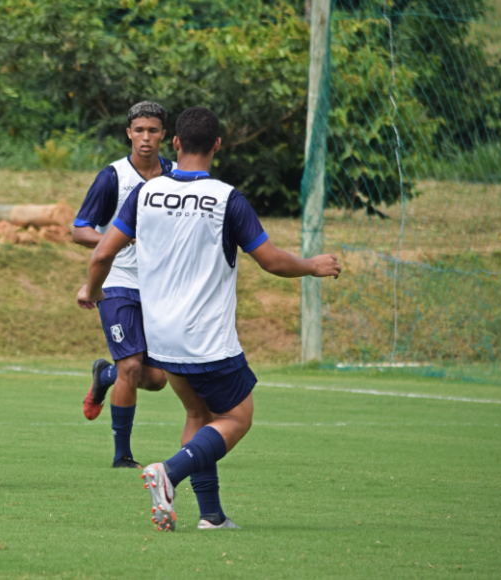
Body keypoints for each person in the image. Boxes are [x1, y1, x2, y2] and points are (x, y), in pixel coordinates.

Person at [78, 106, 341, 530]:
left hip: (161, 338)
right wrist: (312, 265)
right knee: (237, 417)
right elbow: (271, 261)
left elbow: (103, 251)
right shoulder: (226, 198)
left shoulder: (145, 194)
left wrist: (91, 291)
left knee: (198, 417)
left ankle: (212, 517)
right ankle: (170, 473)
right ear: (217, 145)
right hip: (206, 339)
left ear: (175, 143)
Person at [72, 101, 174, 469]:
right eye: (139, 130)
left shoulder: (177, 176)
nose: (146, 138)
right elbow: (79, 229)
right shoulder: (113, 177)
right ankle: (123, 456)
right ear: (129, 133)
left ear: (165, 135)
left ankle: (105, 375)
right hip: (118, 281)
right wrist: (119, 240)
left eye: (153, 130)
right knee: (132, 366)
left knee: (158, 378)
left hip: (160, 286)